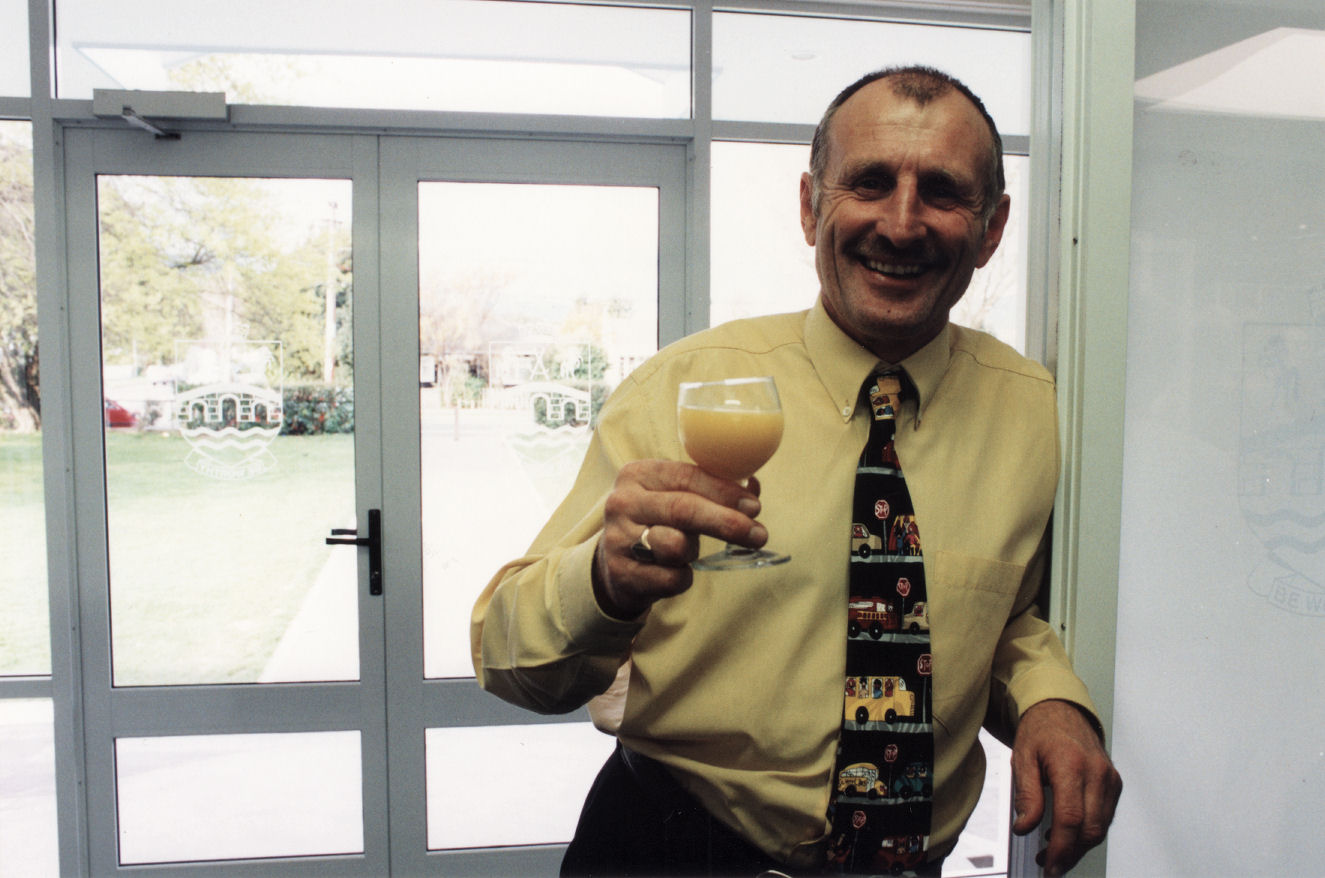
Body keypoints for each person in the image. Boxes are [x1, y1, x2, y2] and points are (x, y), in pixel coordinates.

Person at [471, 65, 1122, 877]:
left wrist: (1051, 703)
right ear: (811, 206)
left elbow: (996, 618)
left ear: (990, 230)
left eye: (944, 191)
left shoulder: (1033, 415)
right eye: (871, 182)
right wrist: (603, 579)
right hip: (670, 850)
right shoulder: (682, 390)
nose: (902, 222)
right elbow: (511, 665)